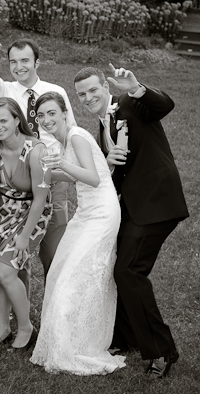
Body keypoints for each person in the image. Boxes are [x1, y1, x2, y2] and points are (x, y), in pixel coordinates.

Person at [73, 65, 188, 378]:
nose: (88, 97)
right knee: (117, 268)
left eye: (93, 90)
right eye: (81, 94)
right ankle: (128, 338)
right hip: (136, 208)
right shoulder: (102, 126)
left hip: (157, 202)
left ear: (105, 87)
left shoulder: (127, 104)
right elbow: (117, 175)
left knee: (129, 271)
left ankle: (162, 351)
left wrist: (136, 88)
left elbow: (164, 105)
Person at [29, 91, 125, 375]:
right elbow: (75, 175)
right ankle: (69, 340)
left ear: (63, 112)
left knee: (76, 275)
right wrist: (44, 173)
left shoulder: (76, 136)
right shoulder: (63, 139)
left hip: (102, 212)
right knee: (61, 271)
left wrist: (60, 164)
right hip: (85, 212)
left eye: (51, 113)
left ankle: (77, 344)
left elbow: (94, 177)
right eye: (41, 115)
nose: (46, 120)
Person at [0, 40, 74, 276]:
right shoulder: (6, 90)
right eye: (13, 62)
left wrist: (68, 167)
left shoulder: (56, 92)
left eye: (25, 61)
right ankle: (19, 293)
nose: (19, 67)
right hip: (18, 186)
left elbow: (69, 132)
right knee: (17, 250)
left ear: (37, 62)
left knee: (53, 247)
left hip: (53, 177)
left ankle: (55, 302)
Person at [0, 98, 52, 350]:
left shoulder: (35, 150)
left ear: (17, 120)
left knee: (5, 271)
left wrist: (24, 237)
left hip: (32, 214)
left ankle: (25, 327)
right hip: (2, 213)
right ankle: (2, 327)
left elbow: (41, 199)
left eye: (3, 121)